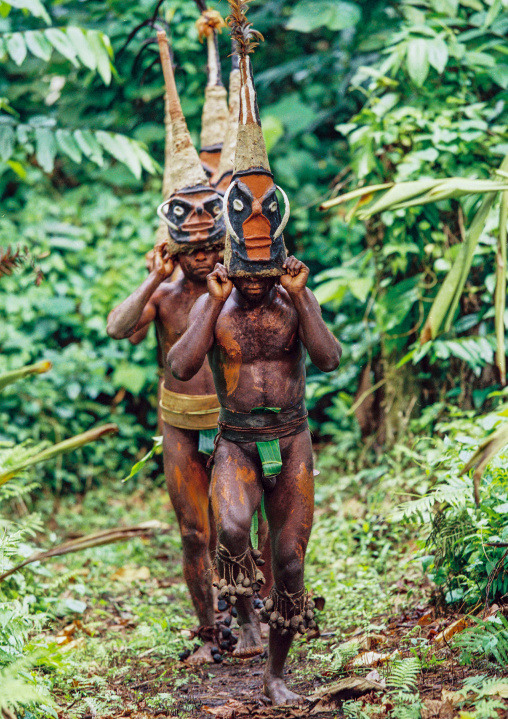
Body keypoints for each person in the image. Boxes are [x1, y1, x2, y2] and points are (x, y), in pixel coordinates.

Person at [168, 2, 342, 703]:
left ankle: (276, 674)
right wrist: (211, 299)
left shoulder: (293, 294)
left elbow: (327, 360)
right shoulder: (217, 300)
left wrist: (302, 298)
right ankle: (234, 602)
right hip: (236, 440)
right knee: (231, 524)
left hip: (291, 437)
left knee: (292, 559)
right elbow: (182, 366)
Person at [107, 30, 227, 665]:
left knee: (243, 526)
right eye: (194, 245)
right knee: (193, 531)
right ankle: (209, 634)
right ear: (175, 241)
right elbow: (118, 325)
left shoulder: (237, 285)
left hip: (235, 420)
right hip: (181, 422)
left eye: (214, 241)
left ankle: (257, 612)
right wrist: (155, 276)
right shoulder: (165, 286)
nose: (206, 252)